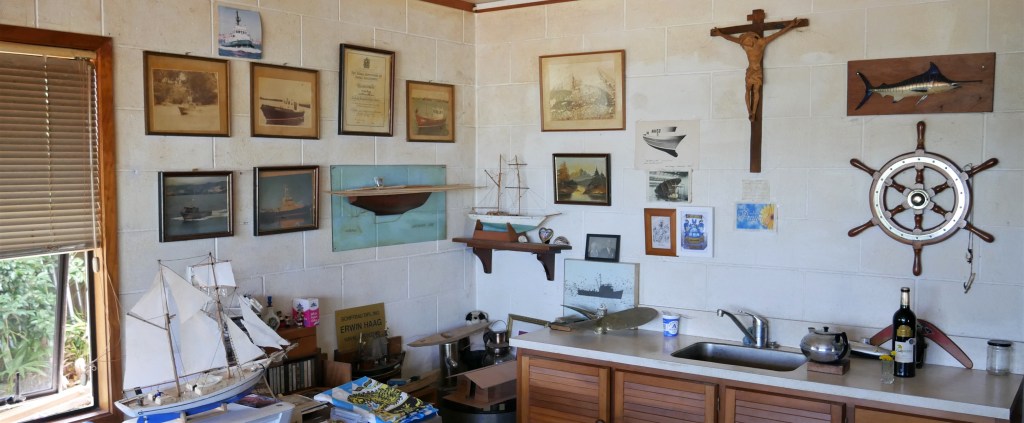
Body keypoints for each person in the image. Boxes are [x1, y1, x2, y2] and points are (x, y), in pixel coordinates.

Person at [711, 18, 802, 121]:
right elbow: (730, 38)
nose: (745, 44)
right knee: (747, 90)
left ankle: (753, 112)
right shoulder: (745, 44)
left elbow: (777, 34)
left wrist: (790, 25)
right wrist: (720, 33)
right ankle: (749, 111)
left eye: (746, 41)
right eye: (744, 42)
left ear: (752, 38)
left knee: (756, 90)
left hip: (757, 71)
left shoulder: (761, 42)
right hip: (750, 70)